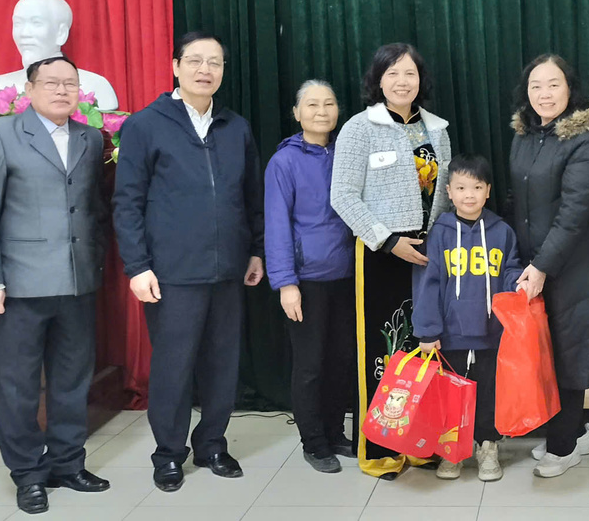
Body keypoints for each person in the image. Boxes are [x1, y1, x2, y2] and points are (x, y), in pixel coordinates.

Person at [113, 32, 265, 493]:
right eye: (195, 60)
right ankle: (169, 453)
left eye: (215, 62)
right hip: (171, 272)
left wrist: (256, 250)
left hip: (229, 268)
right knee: (173, 366)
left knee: (223, 364)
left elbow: (252, 197)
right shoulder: (145, 125)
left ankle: (212, 444)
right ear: (176, 66)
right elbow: (127, 202)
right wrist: (138, 266)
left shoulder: (235, 127)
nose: (205, 70)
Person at [0, 55, 110, 515]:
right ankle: (27, 473)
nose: (62, 91)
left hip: (77, 281)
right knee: (18, 386)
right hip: (19, 284)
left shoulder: (90, 137)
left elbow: (92, 208)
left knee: (72, 381)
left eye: (70, 84)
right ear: (29, 90)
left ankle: (68, 463)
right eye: (51, 83)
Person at [329, 42, 453, 478]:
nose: (403, 81)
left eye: (410, 73)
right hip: (381, 255)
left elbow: (445, 196)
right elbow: (343, 196)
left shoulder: (437, 129)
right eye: (393, 73)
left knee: (423, 348)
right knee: (383, 351)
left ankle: (419, 444)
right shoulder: (359, 128)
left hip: (428, 255)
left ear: (421, 80)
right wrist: (387, 240)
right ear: (378, 80)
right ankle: (380, 447)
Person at [506, 54, 589, 478]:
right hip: (532, 262)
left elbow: (573, 214)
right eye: (536, 86)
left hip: (569, 265)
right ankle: (575, 433)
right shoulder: (525, 135)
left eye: (553, 84)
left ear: (570, 89)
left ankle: (563, 448)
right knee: (541, 352)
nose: (544, 94)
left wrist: (543, 265)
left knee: (569, 351)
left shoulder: (585, 143)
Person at [264, 79, 358, 474]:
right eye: (312, 104)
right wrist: (286, 283)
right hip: (306, 280)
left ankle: (335, 433)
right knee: (310, 365)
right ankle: (314, 442)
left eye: (329, 104)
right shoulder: (284, 162)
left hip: (349, 277)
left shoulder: (348, 154)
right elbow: (276, 226)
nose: (322, 111)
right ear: (297, 113)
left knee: (341, 360)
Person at [412, 154, 524, 483]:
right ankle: (452, 450)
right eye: (461, 188)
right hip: (451, 335)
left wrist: (517, 289)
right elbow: (429, 284)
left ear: (488, 191)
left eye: (476, 187)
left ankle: (488, 446)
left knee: (489, 392)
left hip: (491, 333)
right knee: (451, 395)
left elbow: (510, 271)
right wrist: (428, 331)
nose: (469, 195)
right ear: (448, 191)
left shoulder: (502, 232)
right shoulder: (440, 233)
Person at [0, 0, 119, 110]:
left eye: (36, 23)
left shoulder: (95, 86)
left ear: (61, 33)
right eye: (18, 23)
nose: (24, 33)